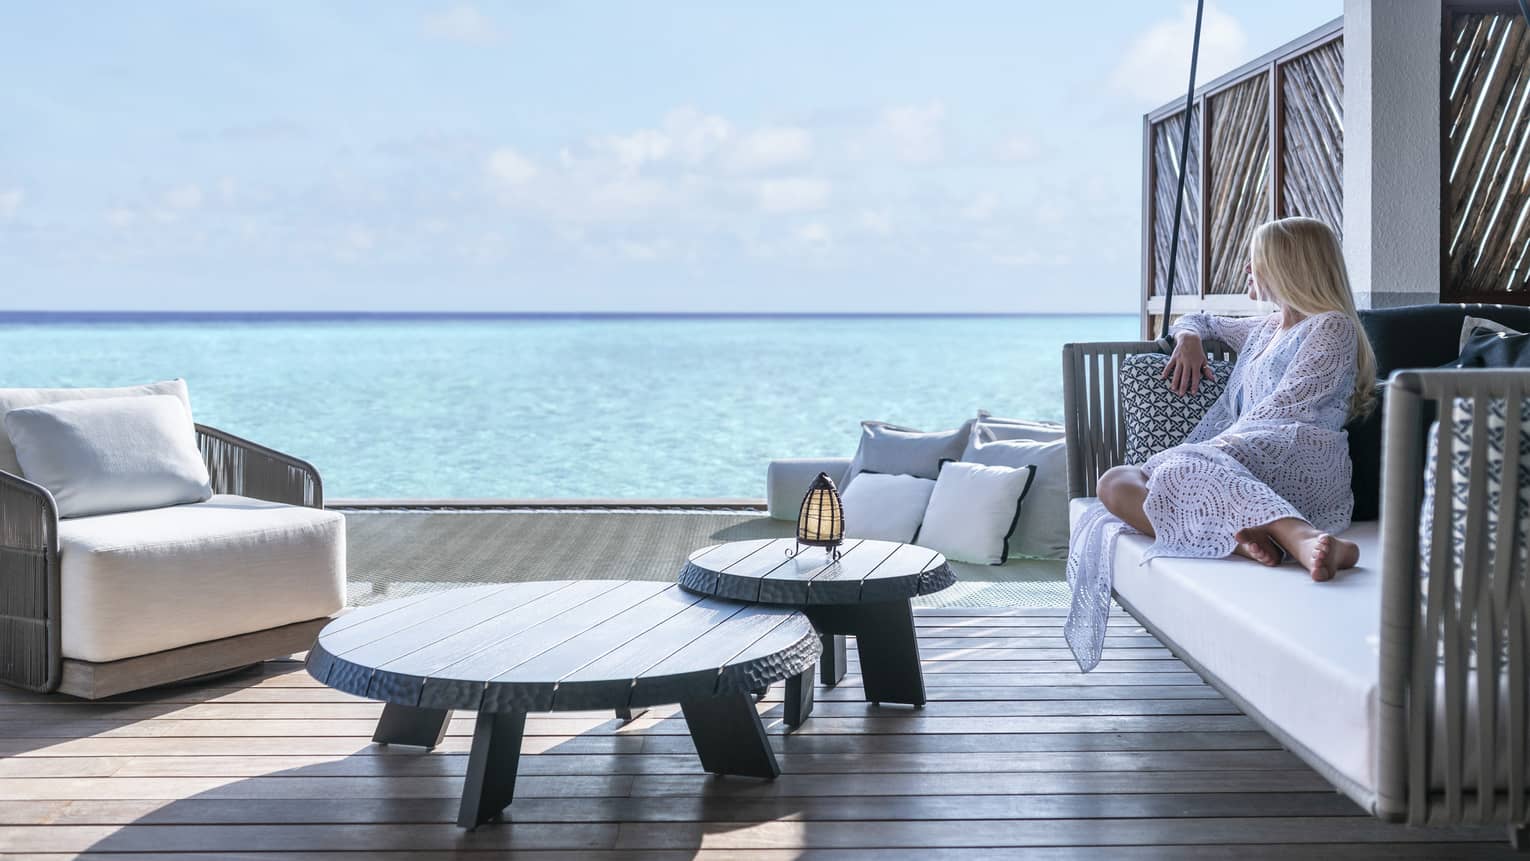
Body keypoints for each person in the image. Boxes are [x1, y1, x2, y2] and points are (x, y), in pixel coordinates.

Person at [1065, 216, 1375, 671]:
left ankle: (1302, 536)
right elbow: (1199, 319)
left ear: (1289, 265)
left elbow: (1287, 408)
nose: (1249, 269)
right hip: (1243, 459)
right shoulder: (1266, 329)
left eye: (1256, 260)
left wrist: (1202, 455)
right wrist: (1189, 338)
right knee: (1115, 484)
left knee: (1167, 471)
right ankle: (1252, 537)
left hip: (1299, 456)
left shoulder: (1331, 327)